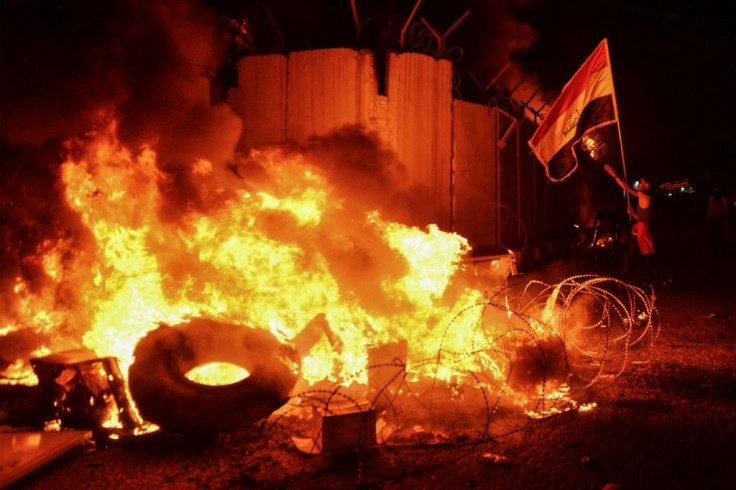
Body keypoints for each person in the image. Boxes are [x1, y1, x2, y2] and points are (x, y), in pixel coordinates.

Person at [603, 164, 668, 286]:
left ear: (650, 185)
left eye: (646, 183)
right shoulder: (644, 197)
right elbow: (643, 217)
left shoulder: (646, 196)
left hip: (643, 230)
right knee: (631, 254)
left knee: (647, 255)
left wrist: (614, 175)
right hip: (640, 227)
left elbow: (627, 189)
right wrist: (633, 214)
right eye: (641, 183)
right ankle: (625, 278)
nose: (642, 185)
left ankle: (660, 279)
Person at [706, 186, 729, 255]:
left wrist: (708, 217)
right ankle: (717, 248)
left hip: (718, 217)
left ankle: (718, 248)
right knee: (716, 233)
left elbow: (711, 209)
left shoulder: (719, 199)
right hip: (717, 217)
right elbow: (711, 209)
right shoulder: (718, 199)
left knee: (718, 233)